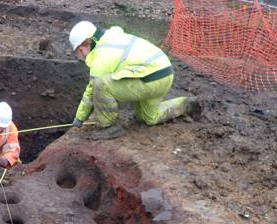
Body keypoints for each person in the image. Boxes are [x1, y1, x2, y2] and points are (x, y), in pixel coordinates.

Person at [69, 21, 200, 138]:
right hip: (163, 74)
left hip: (150, 78)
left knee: (101, 85)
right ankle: (186, 104)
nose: (82, 55)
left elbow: (91, 93)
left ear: (86, 43)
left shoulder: (102, 56)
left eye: (80, 51)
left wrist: (79, 119)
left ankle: (110, 127)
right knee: (149, 118)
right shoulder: (111, 36)